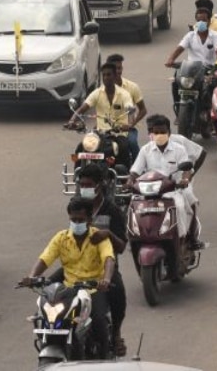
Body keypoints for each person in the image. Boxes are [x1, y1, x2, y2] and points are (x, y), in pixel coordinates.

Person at [19, 197, 115, 360]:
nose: (76, 223)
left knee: (98, 320)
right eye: (73, 219)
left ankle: (105, 358)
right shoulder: (61, 238)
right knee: (47, 316)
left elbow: (109, 259)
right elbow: (45, 259)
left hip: (92, 289)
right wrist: (32, 277)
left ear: (90, 219)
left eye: (80, 220)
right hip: (69, 291)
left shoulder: (99, 238)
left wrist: (105, 279)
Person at [128, 114, 205, 250]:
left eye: (163, 132)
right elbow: (135, 170)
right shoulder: (146, 150)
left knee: (182, 206)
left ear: (169, 132)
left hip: (174, 190)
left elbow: (187, 167)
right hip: (151, 190)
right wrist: (130, 181)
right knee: (134, 206)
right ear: (151, 133)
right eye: (156, 132)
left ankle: (184, 239)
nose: (159, 135)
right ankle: (137, 236)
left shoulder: (179, 148)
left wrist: (186, 179)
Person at [76, 163, 128, 356]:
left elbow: (122, 247)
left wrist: (107, 235)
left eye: (89, 184)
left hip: (105, 268)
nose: (85, 189)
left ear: (100, 185)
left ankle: (115, 333)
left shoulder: (112, 210)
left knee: (118, 291)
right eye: (82, 184)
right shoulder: (78, 206)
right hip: (78, 266)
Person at [66, 62, 135, 167]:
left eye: (109, 74)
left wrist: (128, 125)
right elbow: (82, 109)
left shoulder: (124, 94)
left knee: (124, 148)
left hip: (118, 133)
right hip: (99, 133)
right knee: (81, 148)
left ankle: (124, 178)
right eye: (104, 75)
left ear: (115, 76)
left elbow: (130, 110)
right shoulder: (97, 93)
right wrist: (72, 121)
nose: (106, 77)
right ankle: (78, 174)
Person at [165, 6, 217, 117]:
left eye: (204, 20)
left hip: (209, 69)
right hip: (191, 69)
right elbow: (180, 48)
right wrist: (171, 59)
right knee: (176, 83)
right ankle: (179, 110)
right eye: (199, 20)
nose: (201, 22)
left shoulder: (215, 36)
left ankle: (209, 112)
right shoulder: (190, 36)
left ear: (209, 21)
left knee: (212, 87)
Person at [106, 53, 147, 162]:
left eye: (119, 68)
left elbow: (143, 110)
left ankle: (138, 168)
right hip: (107, 129)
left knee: (132, 143)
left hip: (128, 129)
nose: (117, 71)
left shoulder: (133, 87)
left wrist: (131, 125)